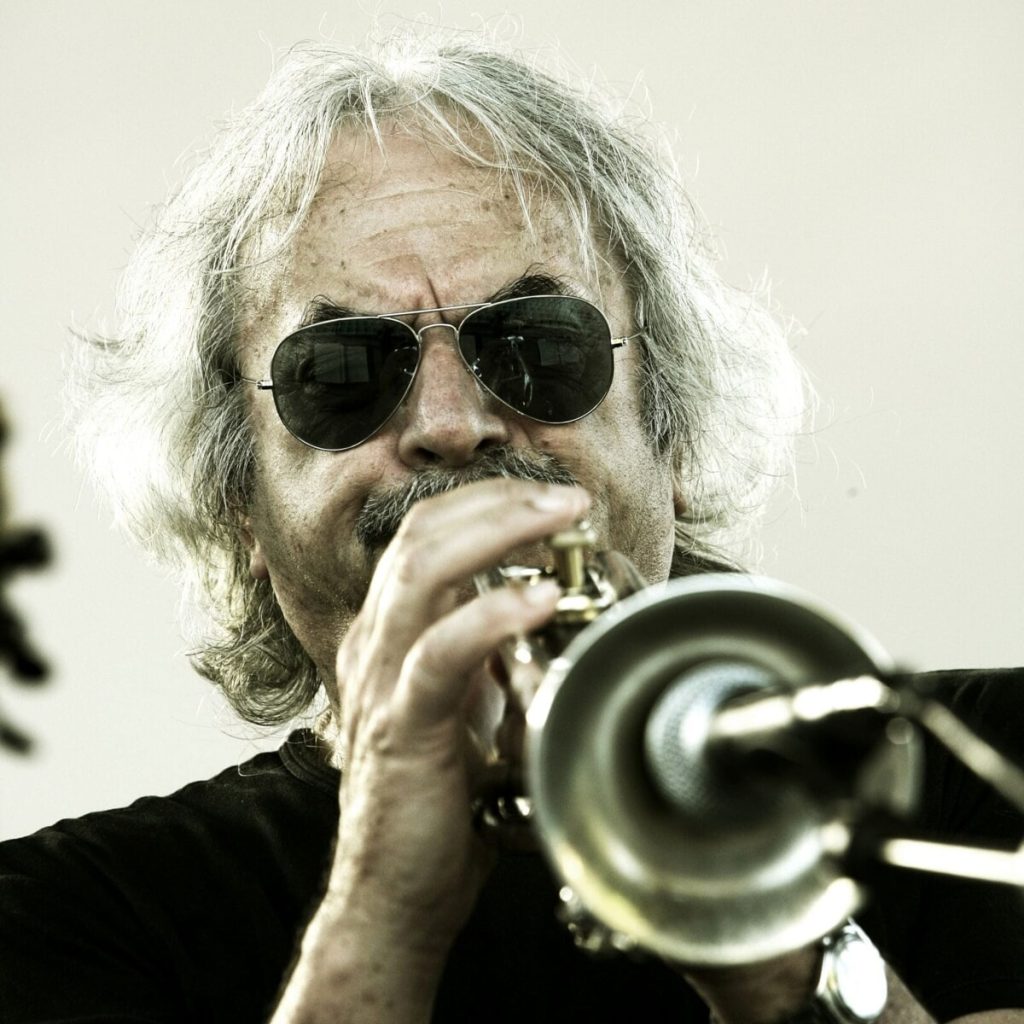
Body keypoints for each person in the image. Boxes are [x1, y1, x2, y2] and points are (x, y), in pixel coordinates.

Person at [1, 33, 1022, 1024]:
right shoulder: (63, 917)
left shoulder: (982, 768)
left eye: (537, 345)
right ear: (242, 504)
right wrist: (383, 910)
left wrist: (740, 890)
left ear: (668, 438)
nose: (452, 425)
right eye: (343, 371)